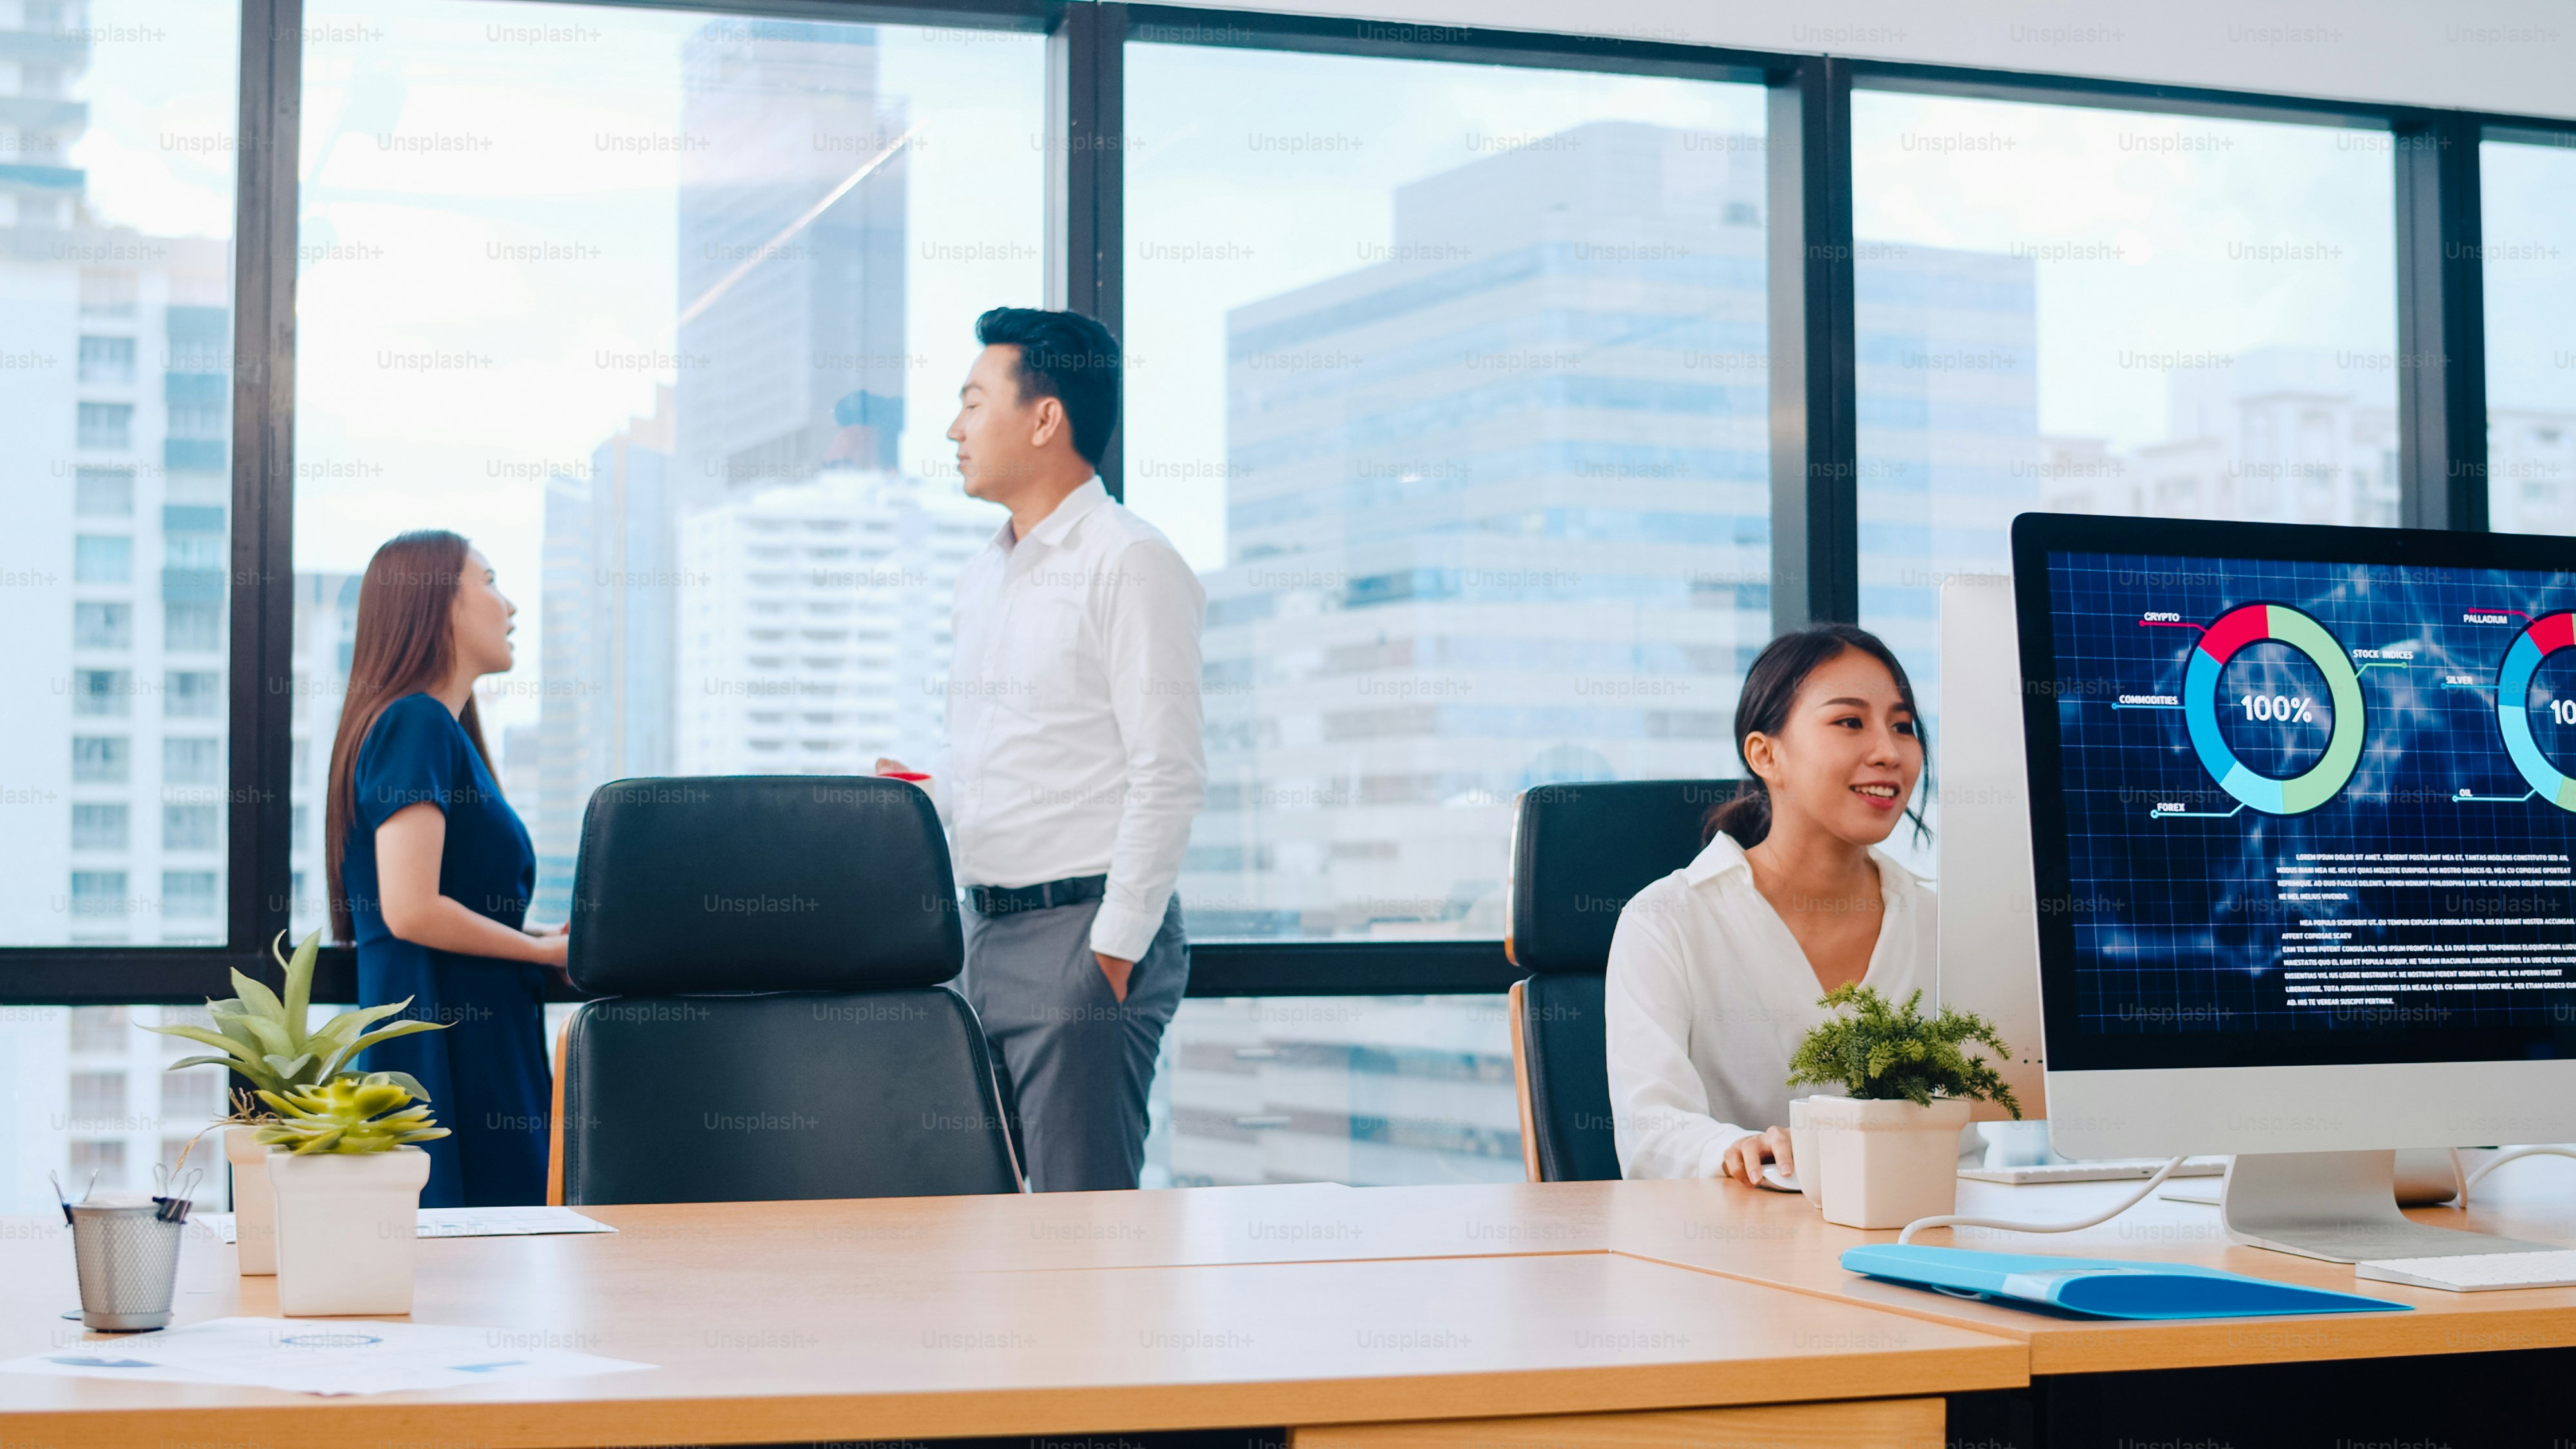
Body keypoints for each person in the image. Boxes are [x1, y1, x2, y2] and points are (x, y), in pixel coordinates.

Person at [876, 307, 1205, 1193]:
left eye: (974, 401)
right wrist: (914, 792)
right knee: (995, 1232)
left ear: (1045, 416)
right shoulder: (985, 573)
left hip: (1080, 937)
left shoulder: (1130, 561)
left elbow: (1168, 771)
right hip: (983, 934)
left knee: (1079, 1237)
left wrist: (1109, 957)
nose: (955, 427)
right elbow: (1009, 755)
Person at [1604, 624, 1934, 1185]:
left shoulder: (1936, 926)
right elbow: (1652, 1130)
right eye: (1849, 722)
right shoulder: (1666, 920)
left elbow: (1963, 1144)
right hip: (1726, 1250)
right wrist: (1740, 1149)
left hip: (1908, 1243)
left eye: (1902, 727)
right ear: (1765, 754)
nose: (1888, 751)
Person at [325, 530, 567, 1208]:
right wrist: (541, 950)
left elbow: (448, 900)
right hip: (450, 1053)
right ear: (440, 605)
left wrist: (544, 936)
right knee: (470, 1274)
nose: (509, 605)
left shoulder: (432, 731)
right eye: (489, 581)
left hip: (474, 1038)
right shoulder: (416, 723)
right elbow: (410, 908)